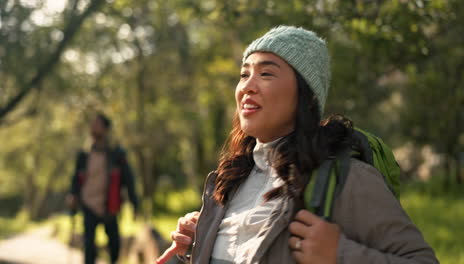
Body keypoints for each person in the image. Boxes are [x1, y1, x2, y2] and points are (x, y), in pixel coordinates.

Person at [156, 26, 439, 264]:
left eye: (266, 74)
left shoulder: (346, 179)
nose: (247, 87)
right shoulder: (230, 182)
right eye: (244, 75)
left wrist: (340, 254)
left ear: (308, 97)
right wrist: (196, 246)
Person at [67, 113, 139, 264]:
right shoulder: (84, 155)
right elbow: (76, 178)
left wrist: (134, 204)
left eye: (97, 124)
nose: (93, 127)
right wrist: (73, 194)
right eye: (92, 124)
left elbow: (128, 180)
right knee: (89, 245)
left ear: (106, 129)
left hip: (110, 206)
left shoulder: (117, 154)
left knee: (114, 244)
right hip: (88, 204)